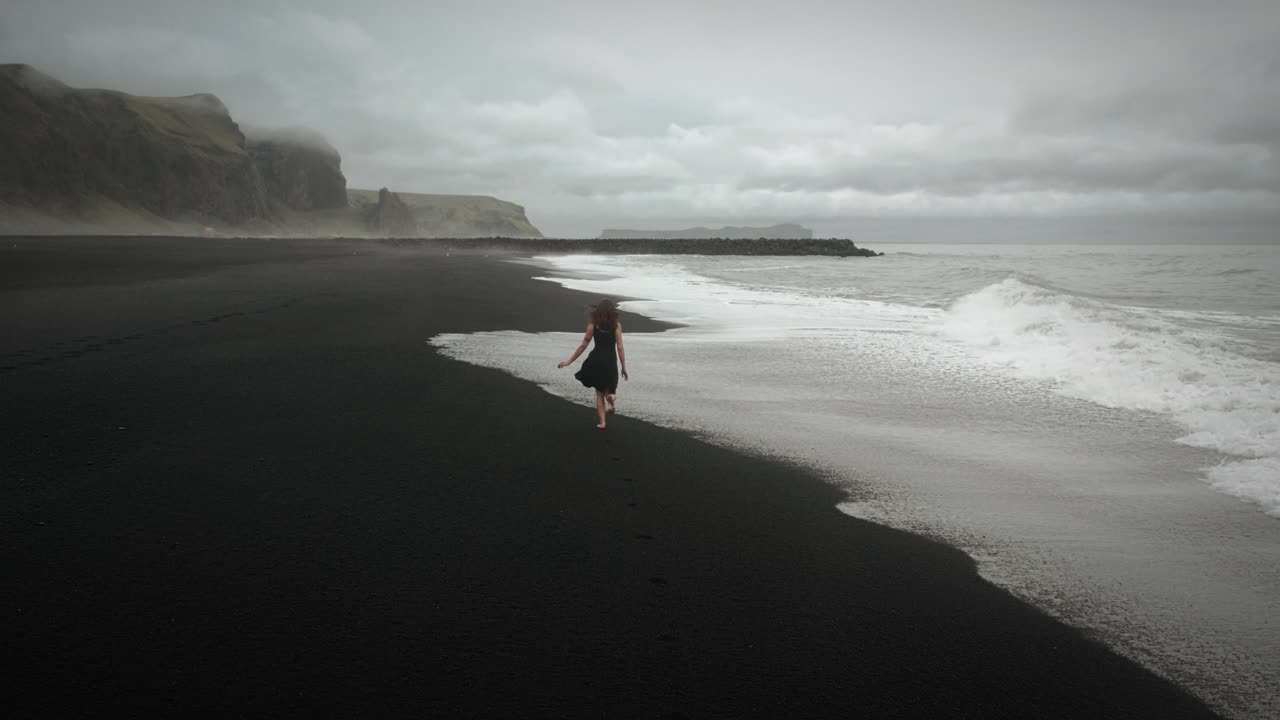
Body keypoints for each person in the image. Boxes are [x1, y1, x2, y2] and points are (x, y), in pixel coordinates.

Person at [558, 298, 629, 429]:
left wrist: (568, 361)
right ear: (612, 312)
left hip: (596, 359)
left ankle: (602, 423)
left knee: (598, 393)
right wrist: (623, 367)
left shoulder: (593, 325)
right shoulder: (616, 326)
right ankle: (611, 398)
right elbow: (620, 347)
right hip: (610, 361)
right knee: (610, 387)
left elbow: (583, 346)